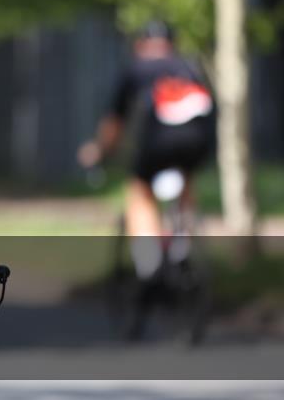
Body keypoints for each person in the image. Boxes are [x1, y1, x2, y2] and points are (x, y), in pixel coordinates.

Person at [78, 21, 214, 277]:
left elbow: (114, 124)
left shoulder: (136, 69)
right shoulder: (189, 66)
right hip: (198, 140)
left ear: (140, 45)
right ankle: (182, 245)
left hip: (160, 140)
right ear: (172, 45)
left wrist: (98, 151)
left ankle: (148, 263)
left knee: (140, 191)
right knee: (186, 179)